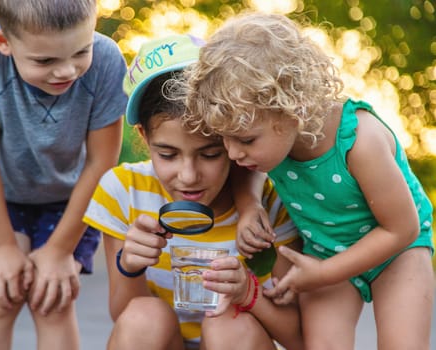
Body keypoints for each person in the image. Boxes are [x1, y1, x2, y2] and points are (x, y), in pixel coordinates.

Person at [178, 12, 435, 350]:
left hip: (397, 252)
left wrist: (324, 275)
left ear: (294, 110)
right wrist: (250, 205)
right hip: (324, 252)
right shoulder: (269, 139)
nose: (233, 153)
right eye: (225, 139)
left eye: (245, 140)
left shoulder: (360, 142)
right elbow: (248, 169)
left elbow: (402, 228)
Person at [83, 34, 304, 350]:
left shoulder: (267, 200)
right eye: (168, 154)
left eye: (210, 154)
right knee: (144, 317)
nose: (188, 176)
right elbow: (126, 317)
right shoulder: (123, 190)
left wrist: (248, 294)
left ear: (231, 137)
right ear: (144, 136)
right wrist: (129, 266)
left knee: (228, 324)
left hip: (235, 341)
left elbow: (299, 337)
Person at [0, 0, 128, 349]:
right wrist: (1, 247)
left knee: (53, 302)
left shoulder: (106, 60)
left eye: (80, 51)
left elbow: (101, 162)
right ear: (3, 41)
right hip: (2, 194)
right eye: (45, 60)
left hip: (73, 200)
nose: (66, 71)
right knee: (1, 294)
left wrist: (60, 251)